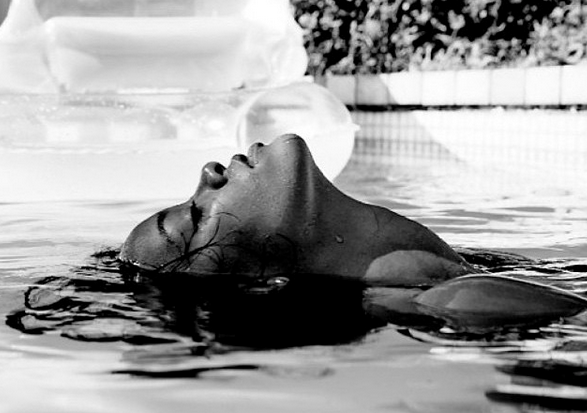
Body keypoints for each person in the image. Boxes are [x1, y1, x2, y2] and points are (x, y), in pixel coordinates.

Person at [120, 134, 474, 287]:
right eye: (196, 217)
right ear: (260, 285)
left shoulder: (436, 281)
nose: (208, 172)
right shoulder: (457, 302)